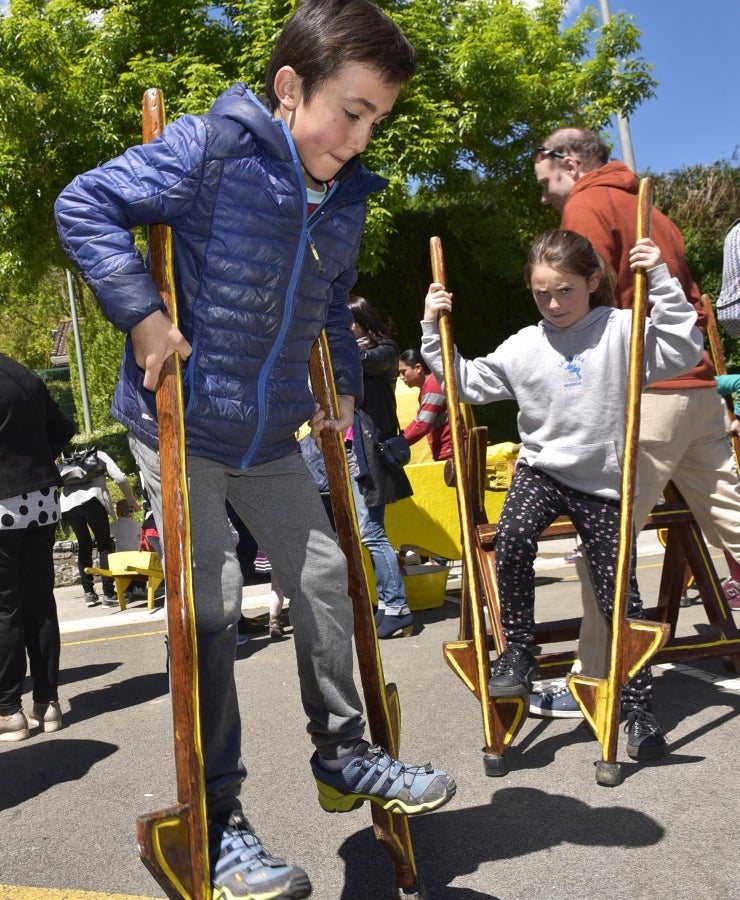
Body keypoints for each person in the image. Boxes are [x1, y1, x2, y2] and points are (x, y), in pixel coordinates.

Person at [55, 3, 455, 898]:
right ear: (290, 87)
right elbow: (83, 203)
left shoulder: (346, 197)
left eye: (375, 121)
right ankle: (222, 815)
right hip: (184, 422)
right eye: (350, 111)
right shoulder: (212, 149)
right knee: (213, 609)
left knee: (324, 579)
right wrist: (143, 314)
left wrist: (344, 379)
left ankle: (346, 752)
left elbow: (332, 298)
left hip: (273, 433)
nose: (359, 138)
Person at [421, 229, 703, 760]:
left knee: (618, 595)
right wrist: (434, 325)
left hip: (603, 481)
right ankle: (520, 654)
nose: (553, 304)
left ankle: (638, 711)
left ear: (593, 281)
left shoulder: (622, 329)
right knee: (513, 535)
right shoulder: (526, 345)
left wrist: (660, 279)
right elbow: (465, 383)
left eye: (565, 291)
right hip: (543, 470)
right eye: (541, 293)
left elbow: (682, 350)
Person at [531, 127, 740, 716]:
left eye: (545, 181)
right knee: (735, 523)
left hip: (645, 392)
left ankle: (595, 679)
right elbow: (695, 303)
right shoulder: (657, 213)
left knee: (609, 542)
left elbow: (584, 302)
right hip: (695, 389)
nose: (545, 197)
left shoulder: (587, 203)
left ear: (567, 162)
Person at [0, 354, 76, 741]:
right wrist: (37, 460)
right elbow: (64, 426)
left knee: (4, 607)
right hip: (41, 500)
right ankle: (48, 703)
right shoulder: (22, 374)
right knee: (40, 602)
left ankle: (8, 710)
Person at [347, 295, 414, 639]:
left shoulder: (385, 351)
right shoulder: (356, 352)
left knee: (372, 534)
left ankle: (398, 607)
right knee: (365, 533)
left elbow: (355, 360)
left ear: (361, 320)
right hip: (353, 450)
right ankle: (388, 607)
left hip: (370, 451)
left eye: (346, 321)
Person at [60, 448, 140, 608]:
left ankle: (89, 593)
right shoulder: (99, 455)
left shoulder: (66, 459)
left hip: (68, 505)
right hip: (93, 500)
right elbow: (120, 478)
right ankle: (109, 594)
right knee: (104, 544)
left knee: (84, 545)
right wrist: (131, 501)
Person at [398, 348, 452, 461]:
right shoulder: (426, 388)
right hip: (445, 450)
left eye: (403, 372)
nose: (401, 377)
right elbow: (417, 421)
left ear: (418, 368)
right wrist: (399, 440)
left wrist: (397, 445)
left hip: (451, 451)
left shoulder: (433, 386)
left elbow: (422, 425)